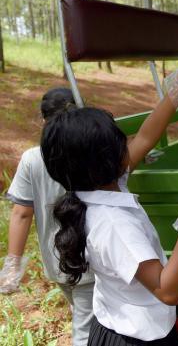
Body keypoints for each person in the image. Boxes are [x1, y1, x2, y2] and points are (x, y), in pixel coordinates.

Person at [40, 64, 178, 345]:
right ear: (102, 163)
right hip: (136, 339)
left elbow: (145, 136)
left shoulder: (97, 186)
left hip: (121, 327)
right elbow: (167, 290)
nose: (127, 148)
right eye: (118, 145)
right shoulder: (114, 225)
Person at [0, 88, 95, 346]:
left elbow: (21, 213)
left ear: (43, 120)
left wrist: (13, 263)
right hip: (92, 263)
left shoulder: (32, 158)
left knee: (83, 318)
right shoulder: (92, 152)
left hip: (57, 262)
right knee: (86, 331)